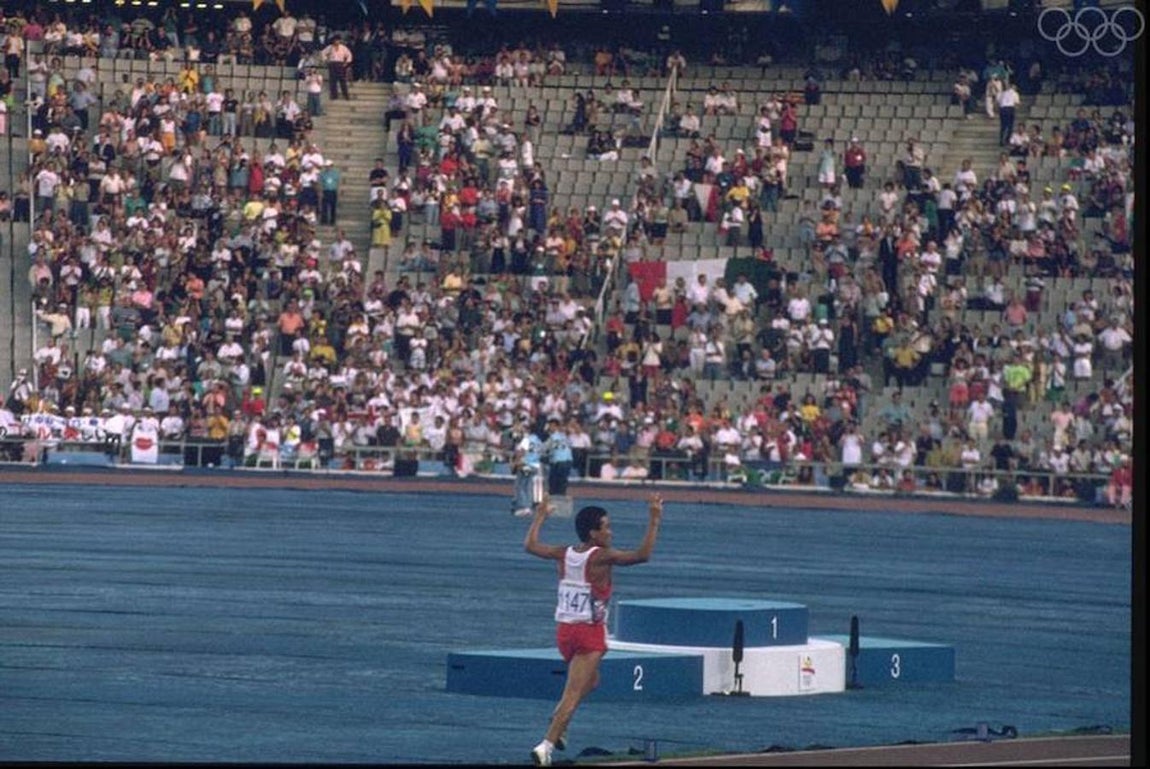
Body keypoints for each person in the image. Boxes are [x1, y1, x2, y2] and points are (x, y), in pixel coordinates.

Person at [524, 494, 663, 767]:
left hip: (564, 632)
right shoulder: (602, 557)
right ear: (593, 533)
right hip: (589, 632)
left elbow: (530, 546)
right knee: (573, 694)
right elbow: (642, 555)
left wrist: (540, 517)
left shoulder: (563, 553)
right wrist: (655, 518)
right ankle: (546, 745)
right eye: (606, 527)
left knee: (591, 682)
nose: (610, 532)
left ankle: (558, 723)